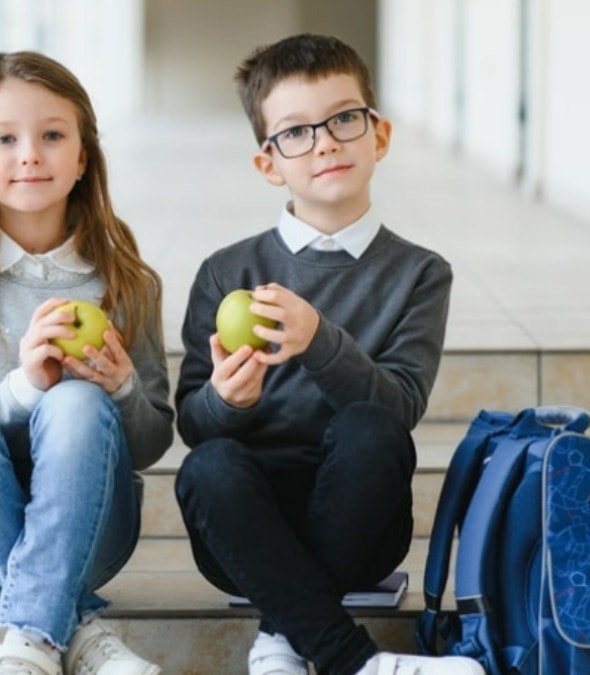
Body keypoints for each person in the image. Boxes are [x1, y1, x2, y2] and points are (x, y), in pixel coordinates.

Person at [173, 34, 483, 675]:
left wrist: (318, 338)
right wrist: (227, 401)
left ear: (380, 135)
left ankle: (282, 638)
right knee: (209, 467)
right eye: (296, 132)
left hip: (362, 522)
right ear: (268, 164)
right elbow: (194, 425)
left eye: (345, 118)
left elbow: (399, 409)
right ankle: (350, 660)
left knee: (371, 427)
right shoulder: (226, 271)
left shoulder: (420, 273)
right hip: (244, 525)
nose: (325, 142)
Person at [0, 51, 172, 675]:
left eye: (52, 135)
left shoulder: (127, 283)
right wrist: (23, 387)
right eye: (6, 138)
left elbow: (153, 441)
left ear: (83, 158)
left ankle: (33, 637)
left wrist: (122, 387)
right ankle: (73, 635)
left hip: (91, 534)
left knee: (77, 401)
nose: (30, 154)